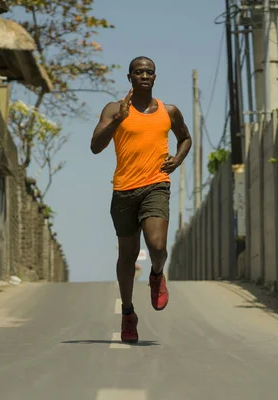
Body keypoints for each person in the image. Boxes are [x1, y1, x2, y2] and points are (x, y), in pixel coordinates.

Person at [90, 56, 192, 343]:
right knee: (127, 256)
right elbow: (95, 146)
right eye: (138, 72)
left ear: (155, 77)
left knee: (157, 246)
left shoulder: (168, 111)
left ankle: (157, 274)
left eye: (149, 72)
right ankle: (128, 314)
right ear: (130, 77)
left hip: (156, 185)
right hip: (123, 190)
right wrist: (118, 120)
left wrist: (177, 159)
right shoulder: (114, 109)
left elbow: (185, 138)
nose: (144, 75)